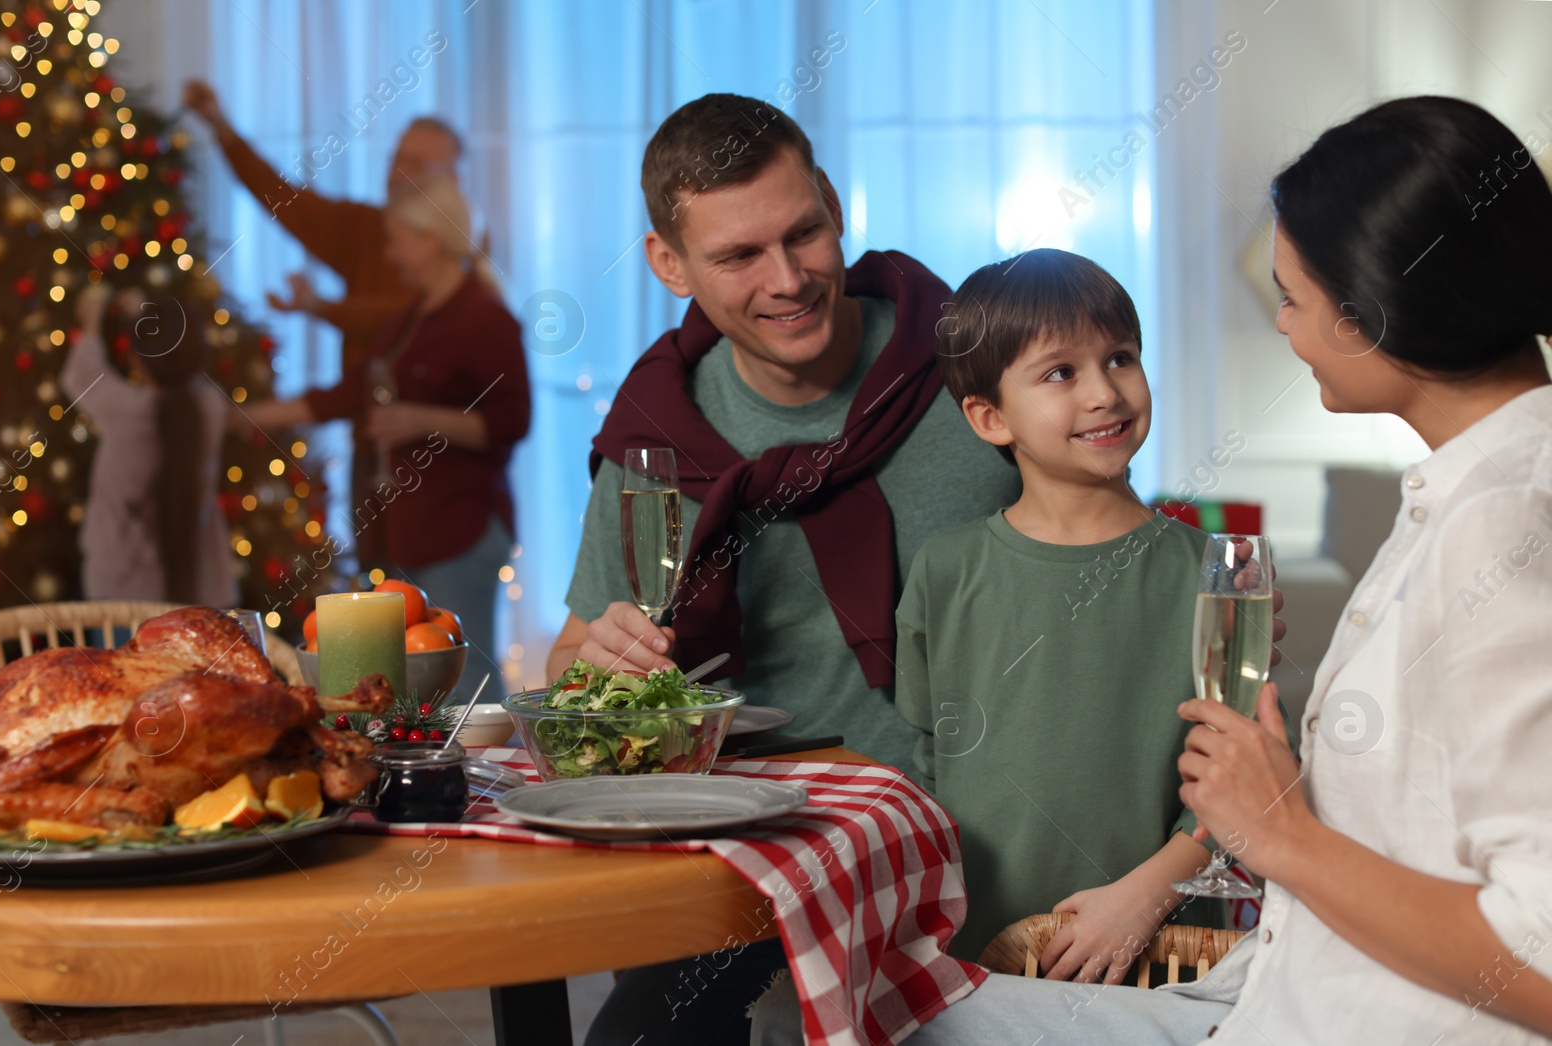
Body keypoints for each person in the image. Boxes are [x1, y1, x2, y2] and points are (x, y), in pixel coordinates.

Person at [754, 94, 1552, 1045]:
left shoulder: (1502, 526)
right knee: (822, 1012)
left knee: (832, 1020)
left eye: (1291, 297)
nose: (1287, 331)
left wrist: (1279, 835)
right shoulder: (1464, 499)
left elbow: (1535, 956)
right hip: (1268, 988)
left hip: (1328, 1012)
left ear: (1372, 307)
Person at [562, 93, 1019, 1046]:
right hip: (744, 847)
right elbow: (577, 662)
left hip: (978, 832)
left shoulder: (976, 364)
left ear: (835, 205)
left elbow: (1108, 539)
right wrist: (593, 668)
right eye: (738, 256)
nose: (790, 278)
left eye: (804, 232)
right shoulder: (655, 435)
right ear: (669, 265)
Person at [896, 249, 1227, 968]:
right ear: (989, 418)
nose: (1105, 392)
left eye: (1120, 358)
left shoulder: (1212, 574)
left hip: (1160, 957)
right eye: (1060, 373)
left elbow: (1249, 783)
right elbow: (926, 763)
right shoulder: (944, 572)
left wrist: (1145, 896)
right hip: (976, 952)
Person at [244, 179, 529, 705]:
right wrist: (254, 415)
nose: (389, 253)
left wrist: (423, 419)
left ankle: (489, 786)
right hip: (407, 527)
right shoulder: (411, 316)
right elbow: (352, 392)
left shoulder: (484, 318)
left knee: (466, 681)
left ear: (431, 241)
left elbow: (512, 420)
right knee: (417, 682)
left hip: (458, 529)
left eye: (396, 239)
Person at [182, 80, 468, 566]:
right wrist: (223, 131)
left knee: (435, 621)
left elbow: (408, 323)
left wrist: (322, 310)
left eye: (417, 165)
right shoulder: (369, 231)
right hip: (372, 455)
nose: (399, 174)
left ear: (454, 183)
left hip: (445, 479)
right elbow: (287, 202)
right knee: (381, 599)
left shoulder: (465, 272)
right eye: (395, 159)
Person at [62, 286, 239, 607]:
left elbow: (80, 375)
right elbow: (178, 359)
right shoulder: (209, 408)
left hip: (120, 597)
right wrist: (146, 313)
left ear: (134, 359)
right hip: (197, 592)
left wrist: (91, 323)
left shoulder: (125, 410)